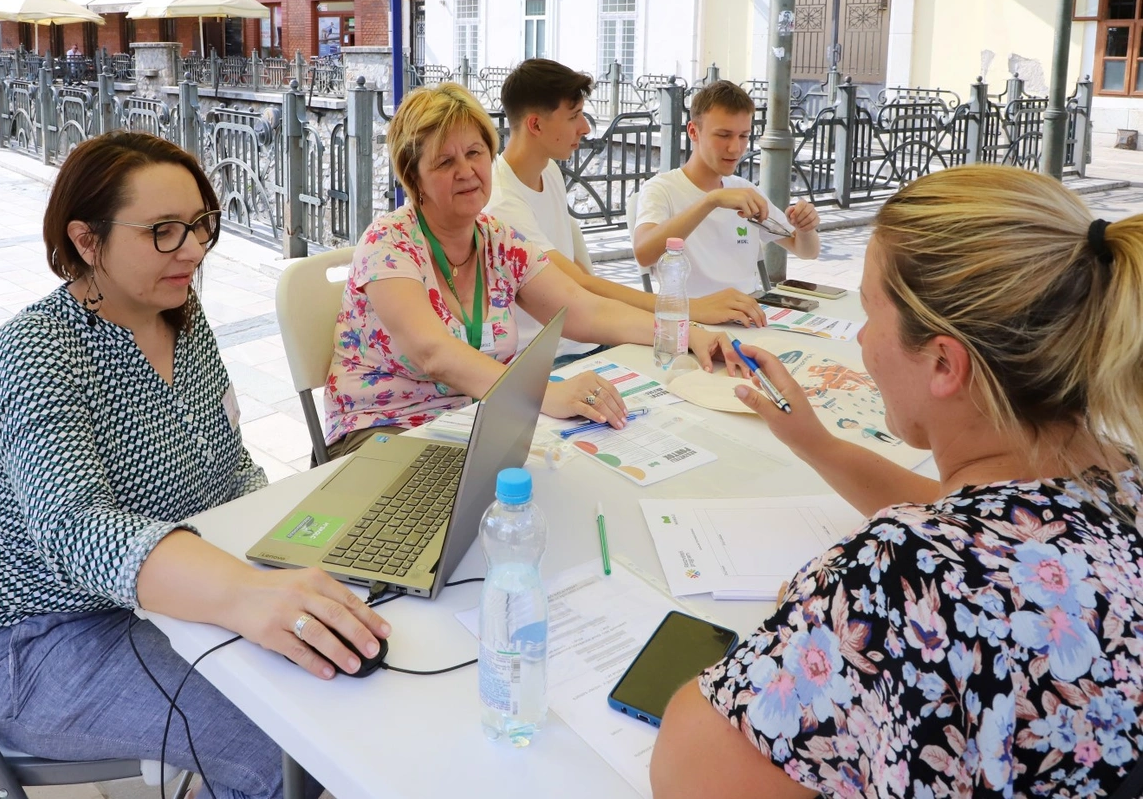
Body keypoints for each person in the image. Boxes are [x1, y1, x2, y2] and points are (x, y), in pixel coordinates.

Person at [650, 165, 1143, 797]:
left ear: (943, 362)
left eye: (868, 310)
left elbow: (687, 769)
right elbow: (995, 524)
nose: (861, 336)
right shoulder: (1118, 480)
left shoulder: (901, 576)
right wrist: (815, 442)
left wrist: (815, 622)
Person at [0, 132, 389, 799]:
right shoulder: (38, 350)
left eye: (200, 224)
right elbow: (74, 526)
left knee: (324, 682)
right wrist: (242, 594)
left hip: (153, 600)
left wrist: (284, 552)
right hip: (37, 638)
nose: (193, 250)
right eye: (163, 231)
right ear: (86, 240)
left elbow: (229, 465)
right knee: (284, 743)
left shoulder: (178, 313)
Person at [324, 82, 746, 458]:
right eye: (444, 162)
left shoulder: (498, 239)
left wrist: (685, 333)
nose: (466, 172)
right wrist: (546, 394)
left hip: (480, 421)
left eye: (474, 153)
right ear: (414, 177)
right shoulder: (389, 242)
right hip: (383, 432)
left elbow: (584, 310)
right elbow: (433, 353)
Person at [486, 59, 768, 367]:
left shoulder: (548, 171)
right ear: (536, 125)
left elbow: (583, 278)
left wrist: (683, 321)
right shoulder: (503, 203)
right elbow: (578, 285)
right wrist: (689, 311)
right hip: (545, 359)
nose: (585, 127)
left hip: (587, 341)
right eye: (574, 116)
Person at [633, 80, 821, 298]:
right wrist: (711, 201)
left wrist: (806, 228)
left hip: (750, 309)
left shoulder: (745, 190)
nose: (735, 148)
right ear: (693, 132)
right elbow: (644, 254)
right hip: (693, 312)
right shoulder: (662, 189)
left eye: (744, 136)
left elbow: (807, 251)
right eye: (723, 135)